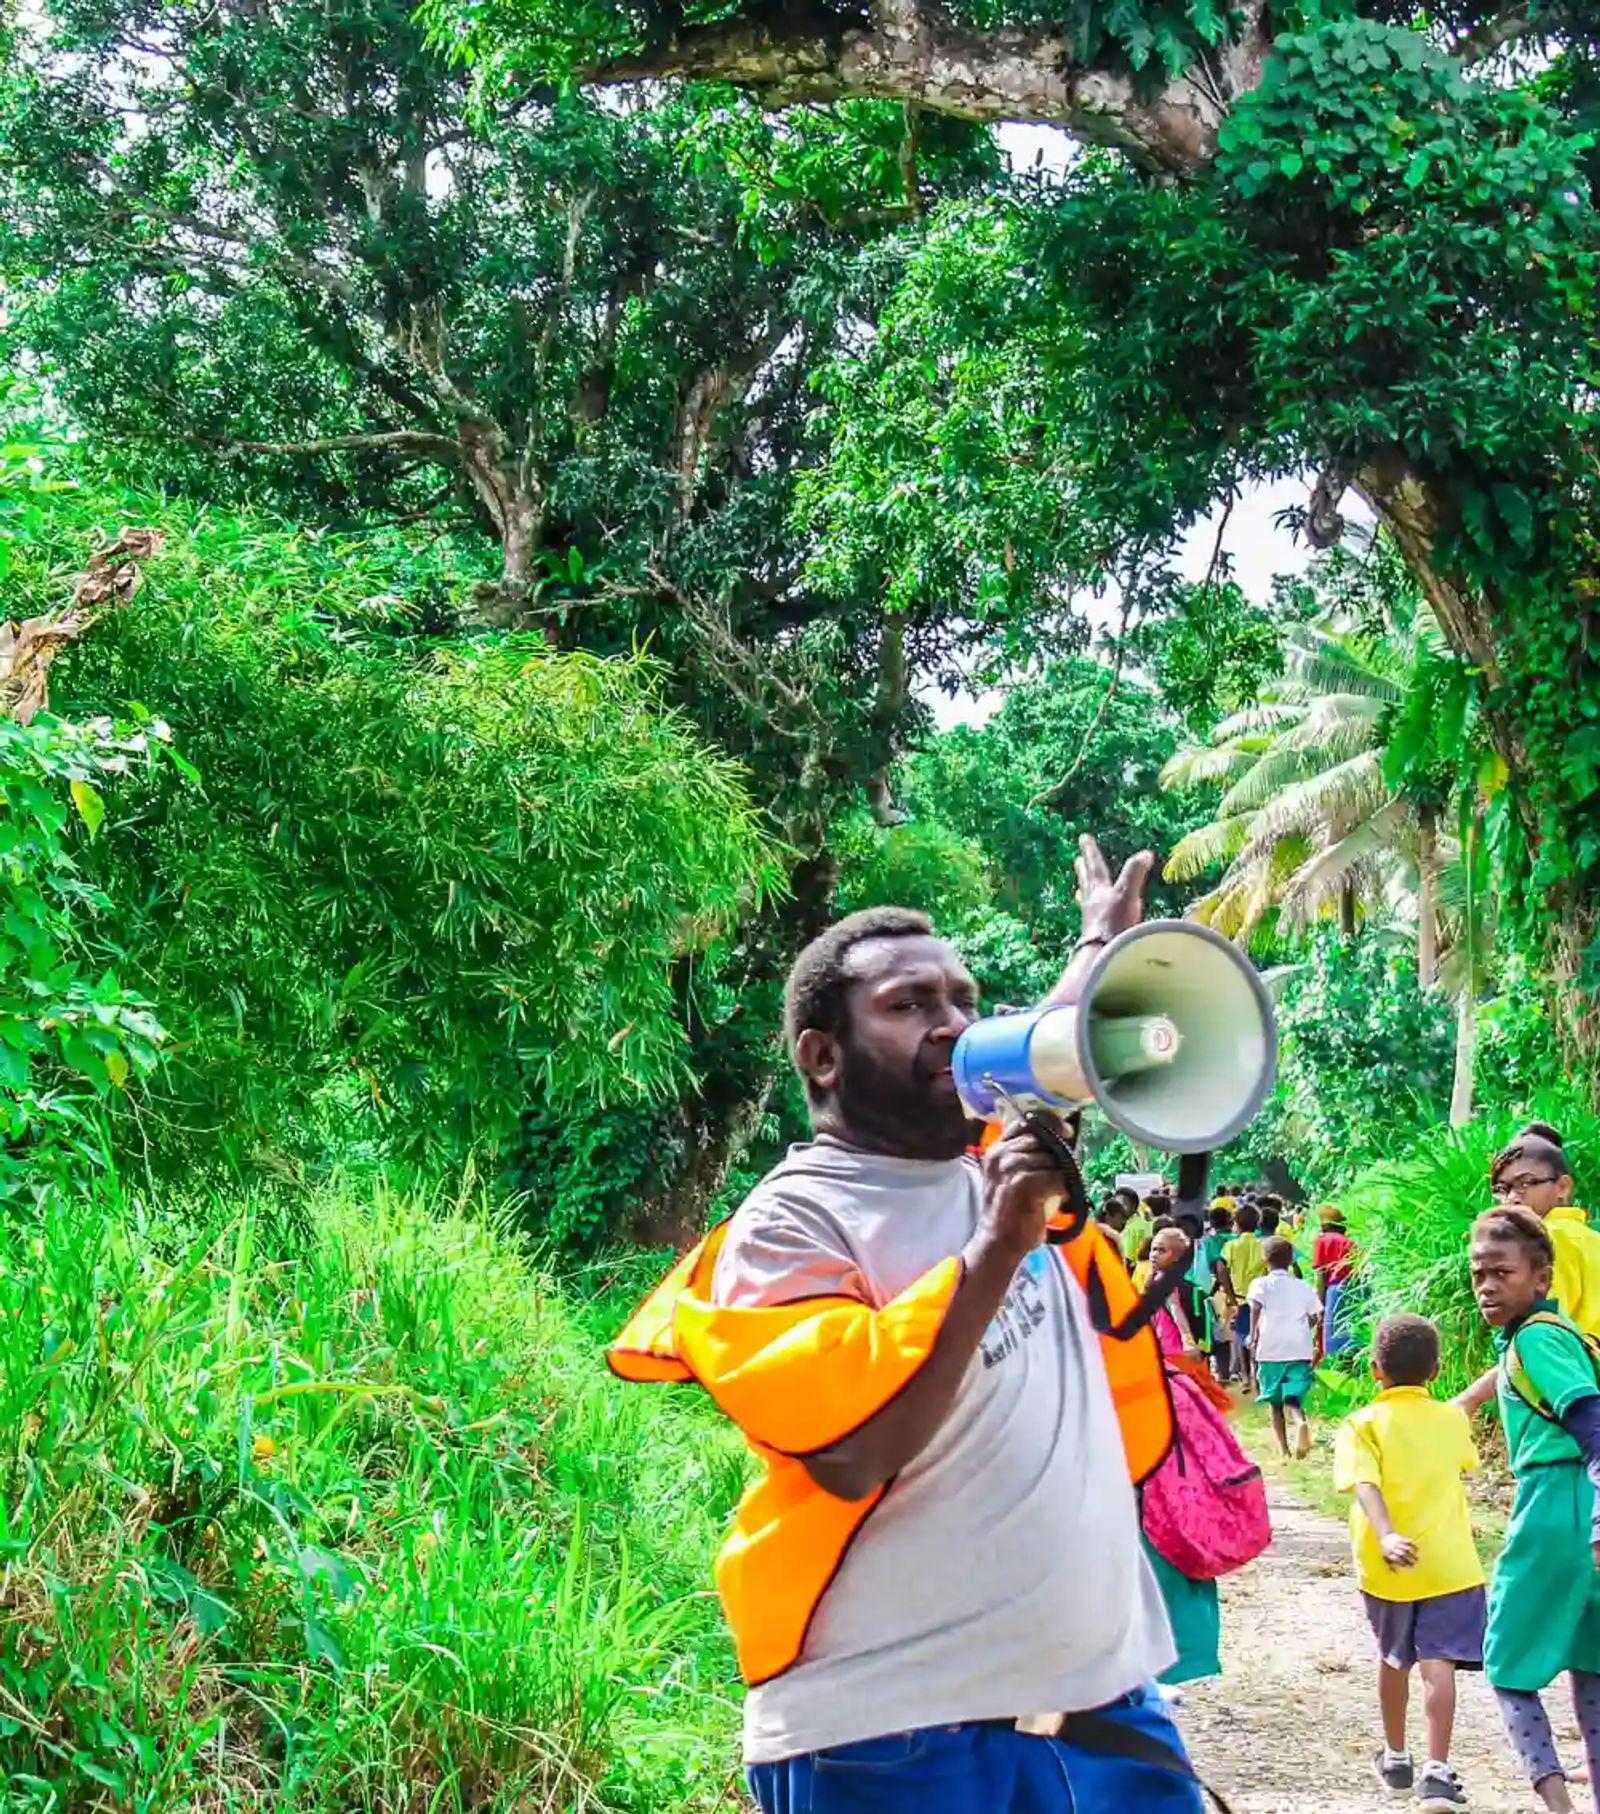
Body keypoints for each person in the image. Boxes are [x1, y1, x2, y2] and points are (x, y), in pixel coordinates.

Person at [609, 836, 1207, 1814]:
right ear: (822, 1055)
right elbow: (852, 1450)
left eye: (964, 1000)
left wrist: (1100, 942)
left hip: (1106, 1710)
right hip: (890, 1739)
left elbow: (1043, 1044)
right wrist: (997, 1249)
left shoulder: (997, 1162)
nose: (952, 1025)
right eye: (908, 1005)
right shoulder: (793, 1220)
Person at [1466, 1206, 1600, 1814]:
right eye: (1479, 1274)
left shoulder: (1536, 1339)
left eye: (1503, 1273)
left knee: (1506, 1663)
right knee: (1591, 1667)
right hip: (1582, 1505)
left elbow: (1591, 1423)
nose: (1488, 1286)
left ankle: (1558, 1806)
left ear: (1541, 1278)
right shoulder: (1563, 1332)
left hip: (1556, 1505)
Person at [1333, 1314, 1483, 1813]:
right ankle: (1437, 1773)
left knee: (1394, 1658)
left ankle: (1396, 1757)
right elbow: (1462, 1416)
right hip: (1449, 1564)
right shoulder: (1449, 1420)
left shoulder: (1361, 1424)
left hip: (1388, 1565)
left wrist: (1387, 1534)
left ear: (1374, 1369)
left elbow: (1364, 1483)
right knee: (1439, 1664)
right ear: (1435, 1371)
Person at [1141, 1225, 1225, 1692]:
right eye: (1153, 1249)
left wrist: (1188, 1346)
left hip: (1169, 1370)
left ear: (1179, 1255)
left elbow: (1181, 1325)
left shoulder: (1166, 1288)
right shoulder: (1155, 1283)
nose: (1154, 1255)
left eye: (1162, 1250)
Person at [1248, 1237, 1322, 1457]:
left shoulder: (1260, 1284)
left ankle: (1284, 1450)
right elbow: (1316, 1315)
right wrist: (1303, 1329)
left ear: (1264, 1259)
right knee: (1293, 1397)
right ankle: (1300, 1422)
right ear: (1291, 1260)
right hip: (1299, 1347)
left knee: (1275, 1402)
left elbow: (1255, 1309)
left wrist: (1253, 1335)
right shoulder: (1303, 1286)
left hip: (1271, 1347)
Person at [1190, 1204, 1238, 1384]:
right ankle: (1227, 1372)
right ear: (1230, 1222)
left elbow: (1217, 1268)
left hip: (1214, 1290)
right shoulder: (1235, 1239)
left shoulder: (1207, 1242)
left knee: (1212, 1332)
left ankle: (1209, 1374)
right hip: (1237, 1290)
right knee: (1228, 1335)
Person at [1224, 1205, 1267, 1391]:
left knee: (1242, 1337)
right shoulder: (1263, 1245)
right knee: (1259, 1337)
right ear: (1257, 1224)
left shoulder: (1231, 1246)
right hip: (1261, 1299)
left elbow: (1221, 1268)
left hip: (1240, 1298)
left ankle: (1245, 1376)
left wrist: (1229, 1295)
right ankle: (1258, 1376)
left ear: (1237, 1224)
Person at [1314, 1206, 1358, 1356]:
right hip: (1353, 1288)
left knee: (1332, 1331)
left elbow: (1321, 1274)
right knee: (1349, 1332)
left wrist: (1319, 1305)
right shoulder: (1350, 1242)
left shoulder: (1322, 1240)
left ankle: (1335, 1360)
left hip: (1336, 1288)